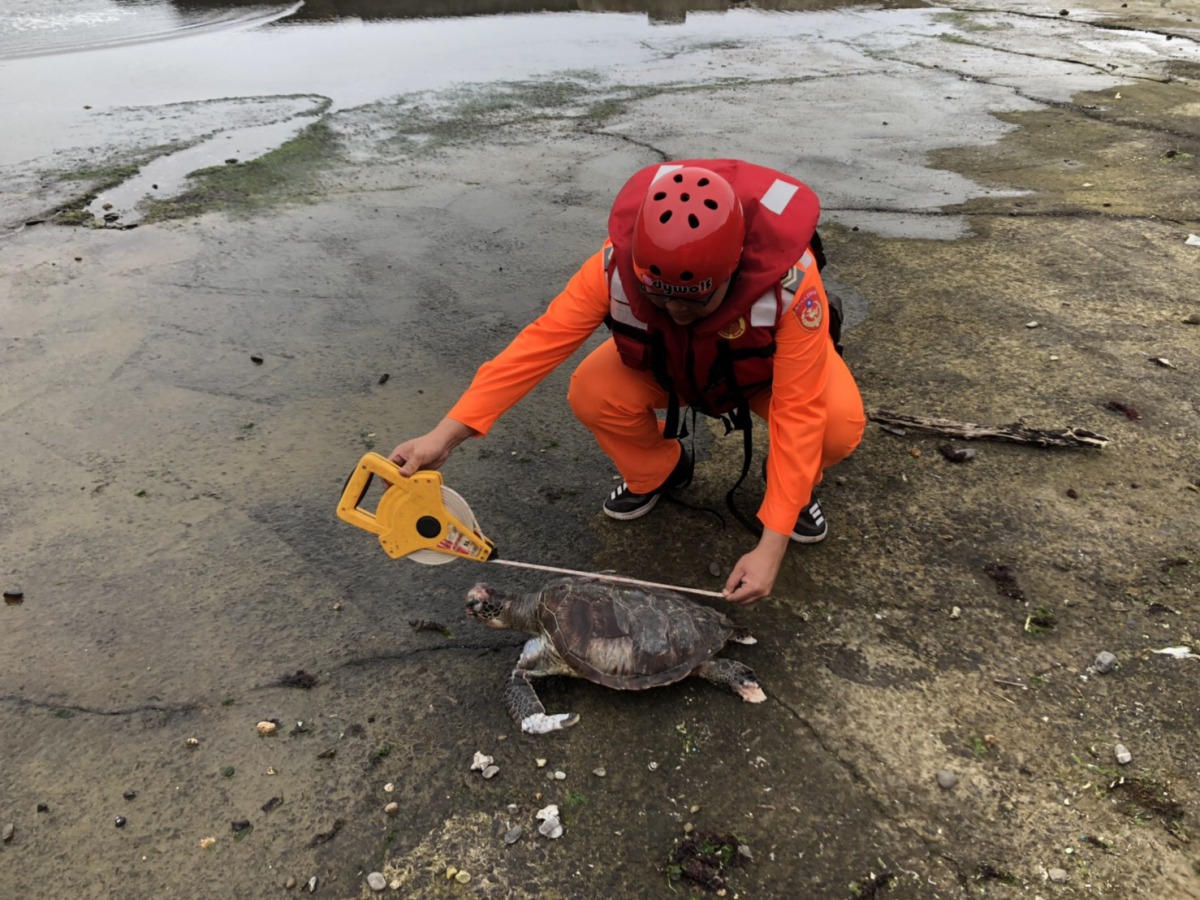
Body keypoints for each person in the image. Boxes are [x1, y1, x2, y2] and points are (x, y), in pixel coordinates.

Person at [389, 159, 865, 604]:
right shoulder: (612, 264)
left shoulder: (791, 284)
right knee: (592, 390)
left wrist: (771, 545)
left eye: (696, 302)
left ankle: (791, 492)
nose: (678, 311)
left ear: (734, 268)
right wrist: (444, 435)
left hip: (763, 377)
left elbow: (800, 408)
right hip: (669, 368)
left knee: (837, 424)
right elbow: (537, 346)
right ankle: (657, 470)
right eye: (661, 298)